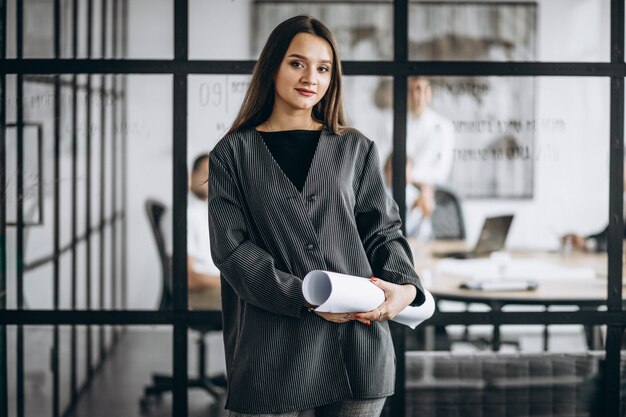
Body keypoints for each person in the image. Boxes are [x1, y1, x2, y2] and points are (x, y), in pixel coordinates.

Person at [207, 15, 426, 417]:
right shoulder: (232, 155)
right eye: (297, 63)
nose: (311, 77)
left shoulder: (355, 149)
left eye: (323, 68)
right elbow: (232, 251)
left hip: (357, 347)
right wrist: (304, 296)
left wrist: (406, 288)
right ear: (272, 66)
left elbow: (383, 232)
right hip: (273, 351)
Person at [163, 153, 221, 310]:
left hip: (215, 286)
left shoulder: (208, 209)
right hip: (198, 294)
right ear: (192, 176)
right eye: (205, 173)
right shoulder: (183, 213)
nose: (210, 180)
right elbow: (187, 278)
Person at [406, 76, 455, 186]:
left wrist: (410, 175)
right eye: (415, 90)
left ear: (431, 93)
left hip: (431, 192)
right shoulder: (392, 124)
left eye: (424, 90)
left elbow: (442, 172)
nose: (419, 95)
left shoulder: (443, 126)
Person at [383, 153, 435, 241]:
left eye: (403, 170)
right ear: (385, 171)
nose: (397, 174)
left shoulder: (418, 196)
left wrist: (425, 215)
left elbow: (425, 235)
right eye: (391, 169)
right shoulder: (381, 194)